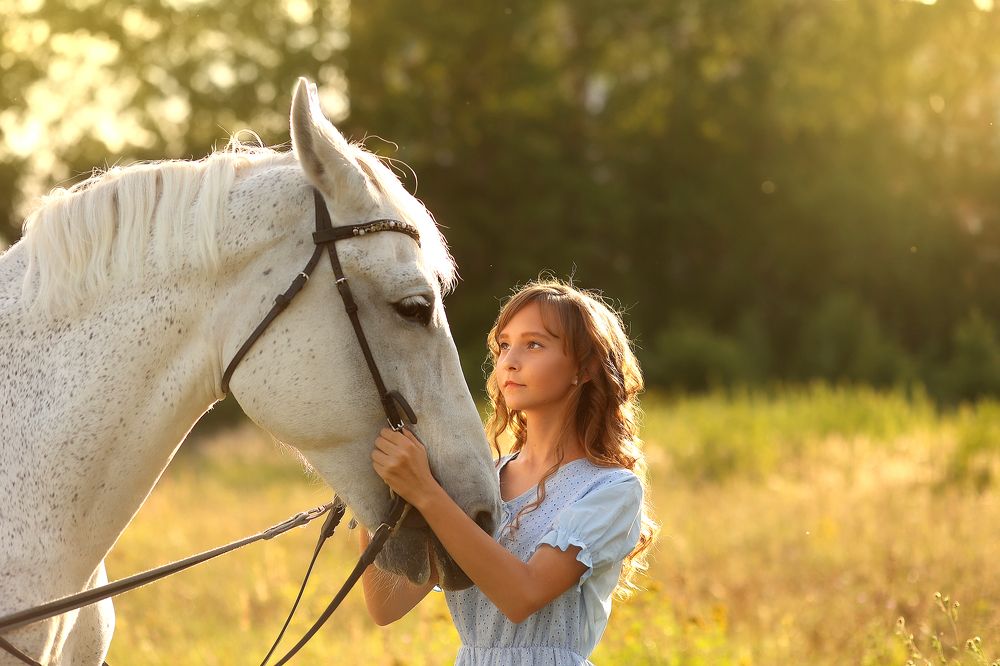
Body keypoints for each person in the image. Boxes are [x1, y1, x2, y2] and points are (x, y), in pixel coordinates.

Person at [361, 278, 658, 665]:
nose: (509, 361)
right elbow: (387, 606)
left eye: (533, 344)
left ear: (584, 368)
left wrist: (425, 492)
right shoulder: (480, 482)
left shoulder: (610, 489)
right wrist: (368, 490)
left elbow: (522, 595)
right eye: (504, 345)